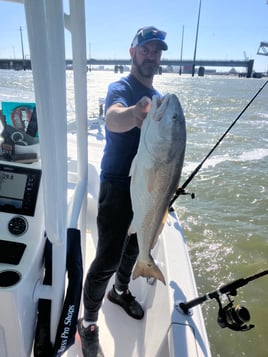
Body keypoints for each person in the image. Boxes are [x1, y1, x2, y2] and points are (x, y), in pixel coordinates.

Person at [78, 26, 168, 357]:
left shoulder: (158, 99)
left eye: (156, 50)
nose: (151, 55)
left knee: (134, 247)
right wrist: (135, 114)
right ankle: (87, 323)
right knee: (107, 257)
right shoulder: (122, 88)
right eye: (145, 48)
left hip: (146, 185)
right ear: (133, 52)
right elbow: (113, 118)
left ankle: (120, 290)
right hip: (118, 183)